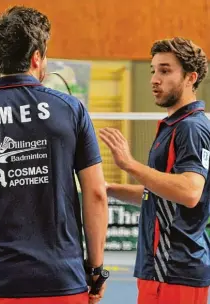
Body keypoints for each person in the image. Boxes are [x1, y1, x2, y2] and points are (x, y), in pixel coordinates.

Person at [0, 6, 108, 304]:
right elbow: (97, 193)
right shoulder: (70, 109)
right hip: (60, 281)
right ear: (37, 57)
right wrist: (97, 269)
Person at [99, 37, 210, 304]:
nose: (154, 79)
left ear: (190, 78)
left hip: (174, 271)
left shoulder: (191, 128)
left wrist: (129, 164)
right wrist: (109, 189)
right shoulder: (174, 126)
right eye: (153, 70)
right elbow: (159, 195)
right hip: (160, 271)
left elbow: (190, 191)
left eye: (165, 70)